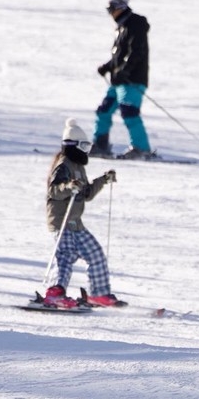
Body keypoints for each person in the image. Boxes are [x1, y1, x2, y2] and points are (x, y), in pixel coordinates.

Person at [42, 118, 119, 308]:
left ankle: (99, 294)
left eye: (88, 146)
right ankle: (54, 293)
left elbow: (86, 194)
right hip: (61, 221)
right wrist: (69, 186)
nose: (86, 151)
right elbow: (54, 191)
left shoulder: (78, 167)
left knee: (95, 253)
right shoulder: (63, 165)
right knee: (66, 256)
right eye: (83, 146)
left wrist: (103, 180)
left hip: (75, 222)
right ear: (72, 145)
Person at [92, 0, 152, 159]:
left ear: (120, 7)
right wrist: (107, 67)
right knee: (103, 111)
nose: (110, 13)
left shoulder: (135, 24)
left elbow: (136, 52)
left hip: (132, 80)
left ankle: (142, 149)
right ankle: (100, 145)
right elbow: (120, 55)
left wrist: (124, 70)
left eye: (111, 9)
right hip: (119, 80)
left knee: (129, 112)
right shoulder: (122, 26)